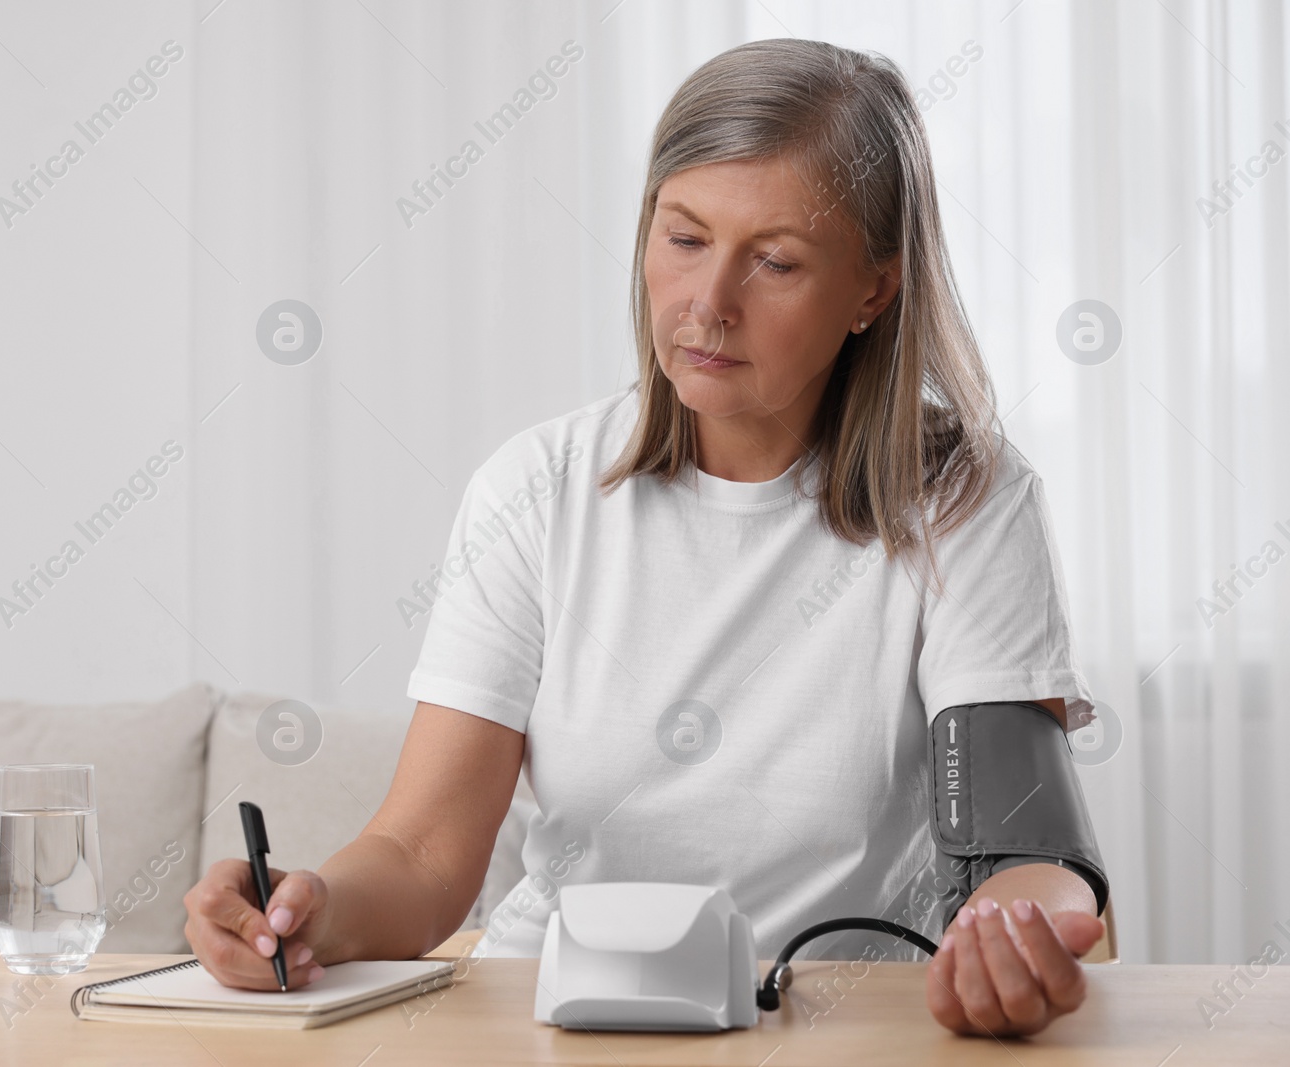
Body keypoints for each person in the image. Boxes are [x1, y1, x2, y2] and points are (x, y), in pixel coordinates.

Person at [184, 37, 1107, 1038]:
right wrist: (309, 906)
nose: (707, 305)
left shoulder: (961, 497)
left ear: (873, 291)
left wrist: (1012, 932)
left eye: (776, 260)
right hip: (558, 1023)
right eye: (683, 238)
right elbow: (420, 855)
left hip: (831, 1026)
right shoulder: (535, 490)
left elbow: (1026, 856)